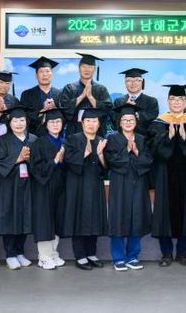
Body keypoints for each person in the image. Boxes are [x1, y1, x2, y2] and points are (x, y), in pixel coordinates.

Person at [149, 84, 186, 267]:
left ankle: (182, 254)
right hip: (165, 176)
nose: (177, 102)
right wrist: (169, 137)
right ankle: (166, 254)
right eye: (173, 99)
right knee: (164, 213)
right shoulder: (159, 122)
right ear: (168, 101)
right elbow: (153, 150)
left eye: (180, 99)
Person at [105, 104, 154, 271]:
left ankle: (132, 257)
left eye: (131, 120)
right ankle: (118, 258)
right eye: (125, 120)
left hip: (139, 185)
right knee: (118, 219)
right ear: (119, 122)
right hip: (120, 185)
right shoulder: (112, 139)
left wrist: (137, 152)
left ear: (136, 121)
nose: (128, 122)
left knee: (137, 219)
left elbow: (148, 161)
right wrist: (127, 150)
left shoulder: (142, 139)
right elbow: (112, 161)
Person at [63, 108, 108, 271]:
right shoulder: (72, 139)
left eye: (94, 121)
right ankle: (80, 256)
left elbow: (106, 168)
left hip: (95, 185)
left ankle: (91, 253)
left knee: (94, 218)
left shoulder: (102, 141)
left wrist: (100, 155)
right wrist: (85, 153)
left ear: (99, 124)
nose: (91, 124)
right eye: (88, 121)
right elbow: (68, 161)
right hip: (78, 187)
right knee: (79, 219)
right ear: (82, 123)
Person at [0, 105, 36, 270]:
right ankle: (10, 254)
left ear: (27, 121)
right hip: (9, 187)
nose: (19, 123)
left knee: (25, 219)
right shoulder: (2, 141)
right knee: (10, 219)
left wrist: (30, 160)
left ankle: (20, 252)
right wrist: (18, 159)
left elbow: (39, 163)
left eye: (22, 120)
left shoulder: (33, 140)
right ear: (9, 123)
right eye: (15, 120)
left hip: (28, 186)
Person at [29, 107, 67, 270]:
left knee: (57, 220)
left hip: (60, 187)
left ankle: (53, 253)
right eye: (52, 122)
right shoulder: (39, 143)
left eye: (58, 121)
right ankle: (44, 257)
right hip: (43, 187)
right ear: (46, 124)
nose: (55, 124)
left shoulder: (65, 142)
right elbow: (35, 168)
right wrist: (55, 161)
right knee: (44, 221)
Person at [59, 53, 113, 136]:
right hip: (74, 133)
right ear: (79, 68)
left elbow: (107, 110)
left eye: (90, 67)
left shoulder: (101, 89)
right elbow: (64, 110)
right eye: (84, 66)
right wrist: (81, 96)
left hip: (97, 134)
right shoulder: (69, 88)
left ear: (94, 69)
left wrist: (91, 97)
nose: (86, 70)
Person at [20, 56, 61, 137]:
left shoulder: (60, 94)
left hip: (56, 137)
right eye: (41, 71)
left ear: (52, 75)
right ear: (36, 76)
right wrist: (42, 111)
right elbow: (23, 117)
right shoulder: (27, 94)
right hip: (34, 138)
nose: (44, 74)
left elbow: (66, 118)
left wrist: (55, 109)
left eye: (47, 71)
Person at [112, 68, 159, 136]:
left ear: (142, 83)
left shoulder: (151, 101)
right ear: (125, 83)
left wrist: (136, 114)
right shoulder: (118, 101)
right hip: (122, 139)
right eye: (129, 80)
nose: (133, 83)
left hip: (145, 139)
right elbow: (114, 121)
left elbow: (152, 119)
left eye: (137, 80)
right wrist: (126, 109)